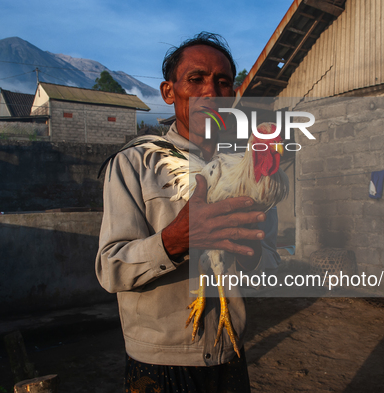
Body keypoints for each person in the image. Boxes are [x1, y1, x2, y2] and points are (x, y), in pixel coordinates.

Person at [96, 32, 279, 393]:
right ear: (169, 92)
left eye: (223, 82)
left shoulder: (251, 167)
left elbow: (270, 256)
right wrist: (173, 241)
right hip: (161, 359)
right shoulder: (134, 164)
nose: (211, 91)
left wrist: (253, 253)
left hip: (229, 352)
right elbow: (110, 268)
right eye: (196, 79)